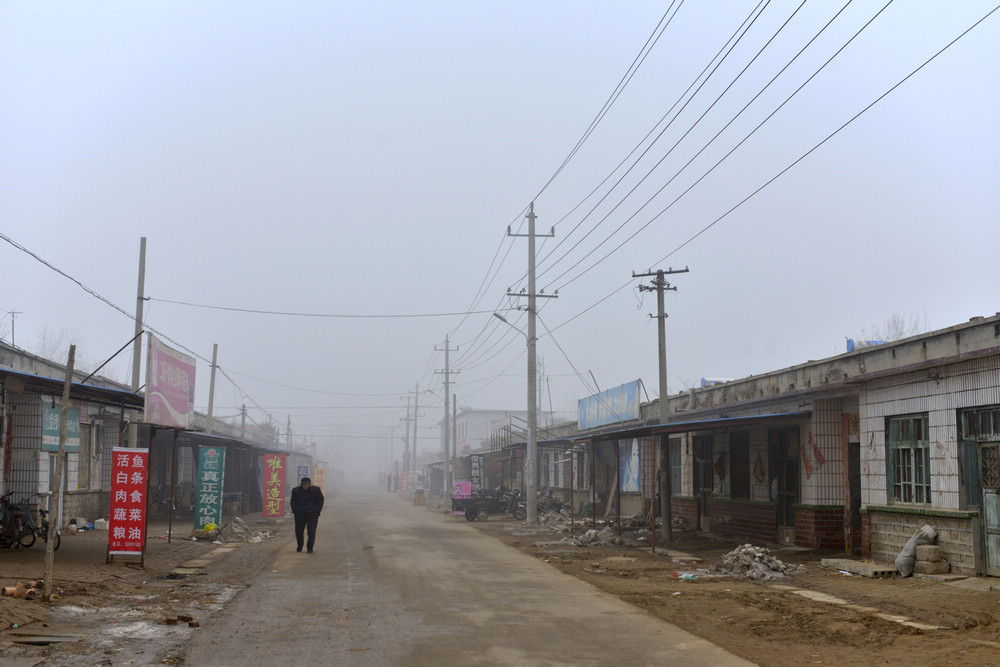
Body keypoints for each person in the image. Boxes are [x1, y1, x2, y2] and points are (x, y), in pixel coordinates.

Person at [290, 476, 324, 553]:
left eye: (306, 484)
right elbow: (293, 501)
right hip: (300, 514)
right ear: (301, 484)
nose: (305, 486)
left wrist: (317, 511)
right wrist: (295, 510)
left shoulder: (316, 490)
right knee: (299, 531)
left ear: (309, 484)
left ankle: (310, 547)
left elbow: (321, 500)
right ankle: (300, 546)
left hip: (312, 514)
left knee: (311, 531)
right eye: (303, 484)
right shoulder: (295, 491)